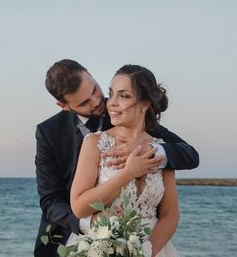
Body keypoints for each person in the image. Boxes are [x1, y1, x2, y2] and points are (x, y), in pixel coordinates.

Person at [34, 60, 199, 257]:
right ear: (64, 105)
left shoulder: (133, 118)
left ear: (90, 73)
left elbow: (187, 155)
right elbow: (50, 199)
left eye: (96, 90)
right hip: (82, 238)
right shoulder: (49, 132)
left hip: (149, 245)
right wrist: (97, 225)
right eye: (84, 102)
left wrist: (149, 150)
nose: (98, 102)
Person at [71, 64, 181, 256]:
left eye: (124, 96)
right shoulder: (95, 143)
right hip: (105, 248)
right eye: (111, 93)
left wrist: (146, 251)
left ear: (145, 103)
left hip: (154, 250)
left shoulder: (161, 149)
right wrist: (128, 173)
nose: (111, 102)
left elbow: (170, 214)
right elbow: (79, 207)